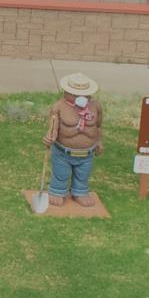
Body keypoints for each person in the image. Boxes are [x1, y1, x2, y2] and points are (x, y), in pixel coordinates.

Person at [43, 73, 103, 207]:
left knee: (83, 174)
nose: (80, 97)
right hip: (63, 152)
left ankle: (80, 192)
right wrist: (49, 137)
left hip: (87, 153)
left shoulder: (96, 107)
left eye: (84, 94)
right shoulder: (58, 107)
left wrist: (99, 141)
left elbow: (98, 126)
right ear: (66, 92)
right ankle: (57, 191)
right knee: (61, 173)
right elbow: (53, 127)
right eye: (75, 94)